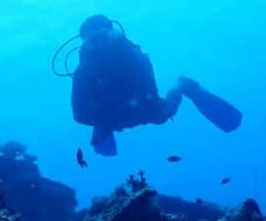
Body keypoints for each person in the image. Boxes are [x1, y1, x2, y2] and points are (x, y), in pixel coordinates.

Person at [57, 14, 242, 156]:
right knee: (102, 143)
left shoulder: (131, 55)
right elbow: (78, 113)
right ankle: (103, 126)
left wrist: (133, 108)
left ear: (112, 35)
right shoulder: (83, 71)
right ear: (85, 44)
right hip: (112, 114)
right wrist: (103, 120)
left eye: (102, 37)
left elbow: (148, 90)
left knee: (162, 115)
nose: (99, 45)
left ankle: (183, 85)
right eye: (92, 41)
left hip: (142, 106)